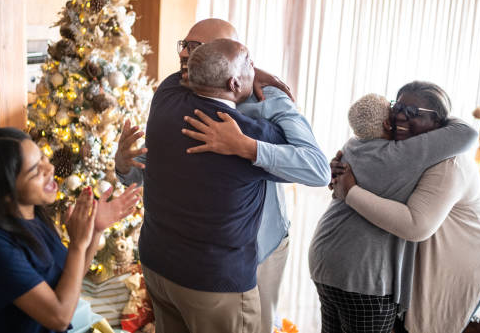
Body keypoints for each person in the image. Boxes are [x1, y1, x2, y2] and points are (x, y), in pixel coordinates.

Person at [115, 18, 329, 333]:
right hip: (206, 265)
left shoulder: (267, 99)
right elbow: (166, 165)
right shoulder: (175, 89)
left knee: (261, 323)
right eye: (185, 45)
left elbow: (316, 169)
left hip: (260, 246)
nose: (186, 55)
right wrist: (124, 166)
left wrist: (246, 147)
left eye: (197, 48)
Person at [330, 81, 480, 333]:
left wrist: (350, 192)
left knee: (427, 322)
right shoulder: (401, 147)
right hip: (430, 238)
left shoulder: (449, 164)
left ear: (438, 124)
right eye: (397, 106)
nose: (400, 116)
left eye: (413, 113)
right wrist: (345, 168)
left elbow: (415, 226)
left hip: (468, 249)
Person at [0, 127, 141, 333]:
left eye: (44, 158)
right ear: (4, 191)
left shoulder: (35, 217)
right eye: (35, 170)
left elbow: (71, 279)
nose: (50, 168)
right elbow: (59, 317)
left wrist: (96, 230)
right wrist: (78, 246)